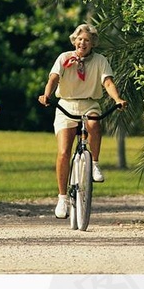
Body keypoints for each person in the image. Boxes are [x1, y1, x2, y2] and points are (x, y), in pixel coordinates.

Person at [38, 23, 127, 219]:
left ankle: (94, 163)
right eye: (80, 39)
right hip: (66, 105)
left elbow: (108, 82)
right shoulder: (63, 58)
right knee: (63, 151)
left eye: (87, 40)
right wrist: (46, 95)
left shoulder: (100, 61)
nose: (83, 43)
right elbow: (53, 78)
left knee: (95, 123)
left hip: (89, 104)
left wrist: (117, 99)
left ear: (93, 43)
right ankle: (62, 198)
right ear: (74, 41)